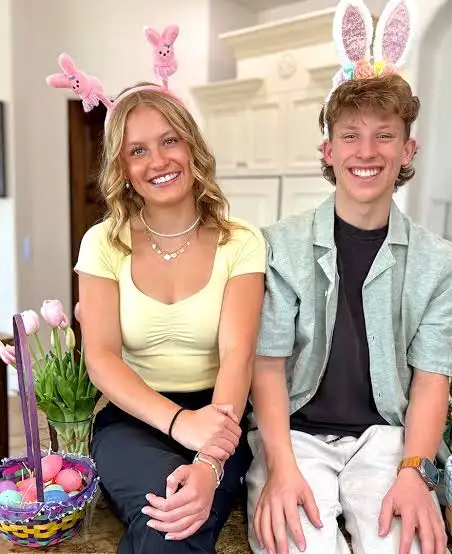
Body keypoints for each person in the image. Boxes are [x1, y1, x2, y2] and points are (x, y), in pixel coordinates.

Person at [245, 1, 452, 554]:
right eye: (350, 136)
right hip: (294, 436)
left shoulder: (442, 264)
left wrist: (415, 472)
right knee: (300, 544)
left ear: (407, 149)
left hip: (388, 440)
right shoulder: (278, 247)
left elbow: (431, 382)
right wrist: (280, 468)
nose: (366, 152)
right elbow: (266, 368)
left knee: (407, 545)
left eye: (384, 136)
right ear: (328, 150)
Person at [47, 25, 266, 554]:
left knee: (177, 520)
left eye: (170, 141)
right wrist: (178, 423)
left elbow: (238, 358)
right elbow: (101, 358)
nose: (158, 161)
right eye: (137, 150)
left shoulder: (242, 241)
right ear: (122, 168)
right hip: (132, 417)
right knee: (166, 513)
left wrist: (209, 461)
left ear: (192, 147)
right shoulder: (103, 243)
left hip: (222, 416)